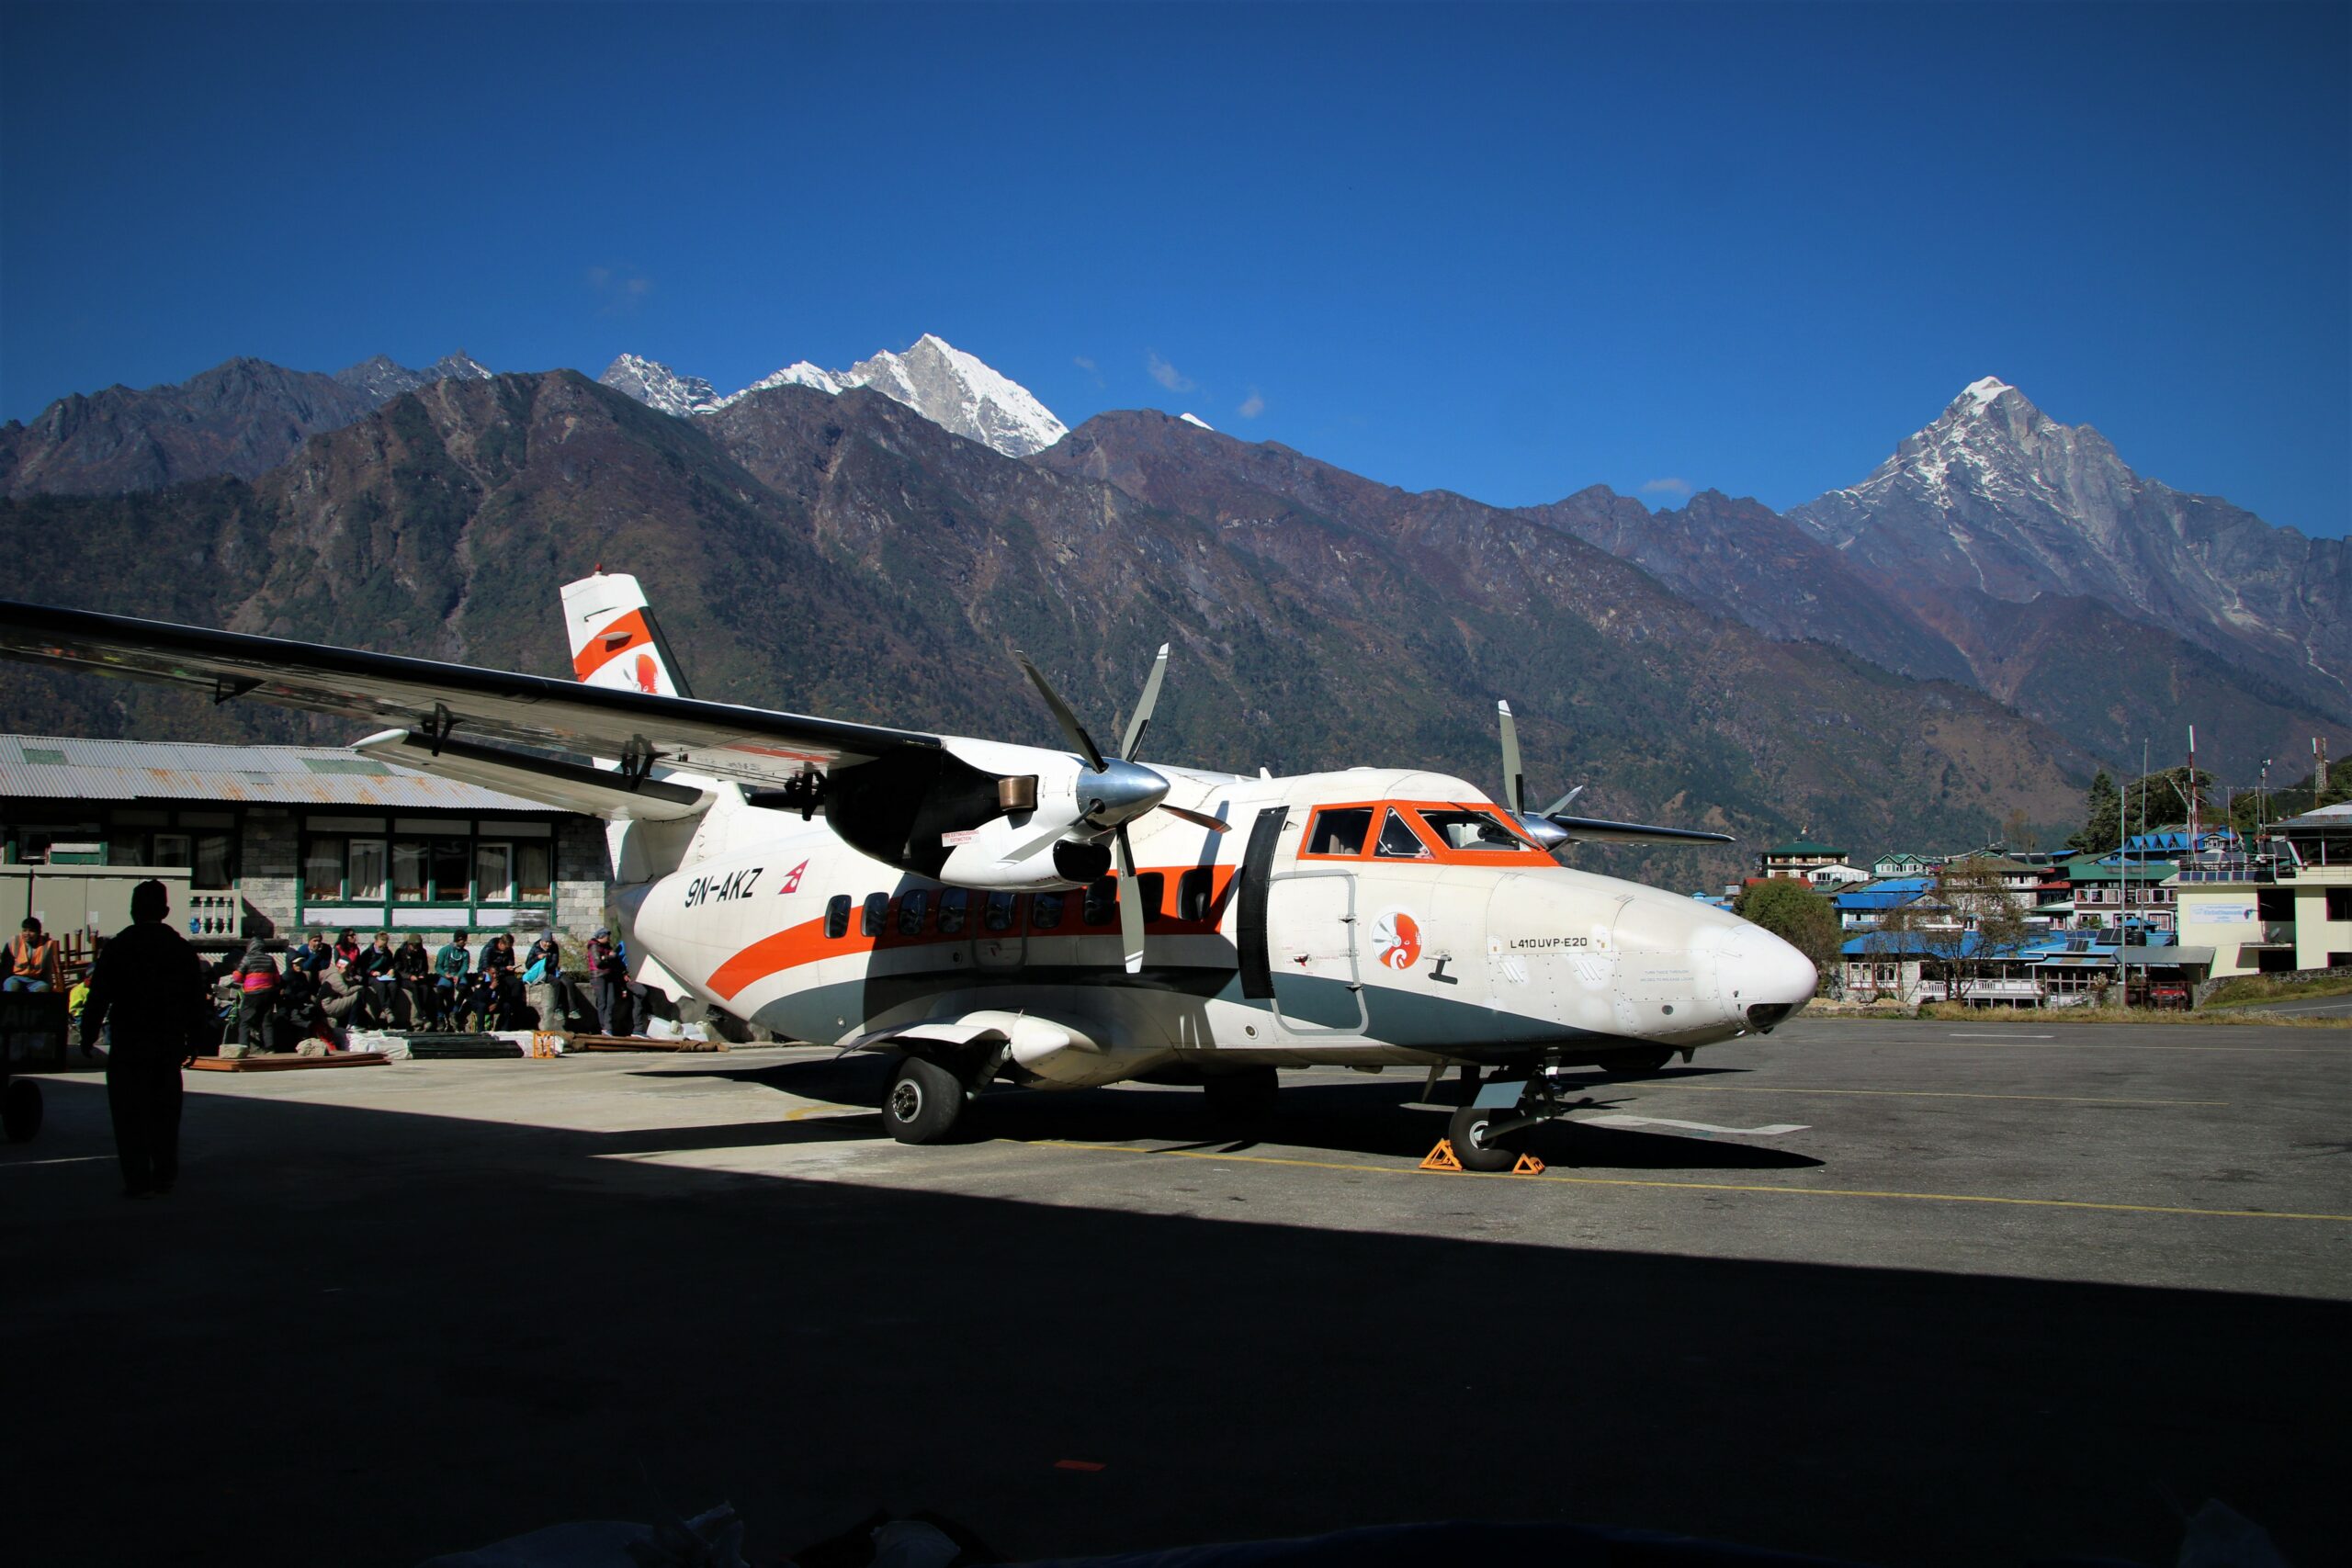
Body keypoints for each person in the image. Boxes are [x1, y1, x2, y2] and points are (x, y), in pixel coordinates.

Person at [80, 879, 208, 1198]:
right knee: (164, 1112)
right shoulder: (180, 949)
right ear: (165, 911)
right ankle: (164, 1174)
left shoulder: (119, 946)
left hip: (128, 1042)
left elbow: (98, 996)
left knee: (128, 1114)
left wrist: (88, 1033)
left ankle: (136, 1178)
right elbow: (195, 999)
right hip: (167, 1043)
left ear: (133, 910)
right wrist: (195, 1040)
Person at [233, 940, 281, 1051]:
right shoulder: (270, 959)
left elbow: (237, 977)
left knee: (245, 1021)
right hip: (268, 993)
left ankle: (243, 1047)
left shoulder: (247, 958)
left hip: (252, 993)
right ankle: (270, 1048)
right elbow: (277, 979)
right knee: (267, 1021)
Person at [6, 915, 65, 992]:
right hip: (15, 977)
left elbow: (47, 969)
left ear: (38, 932)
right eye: (24, 930)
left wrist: (49, 985)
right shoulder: (14, 941)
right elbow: (5, 965)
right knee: (13, 987)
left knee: (44, 988)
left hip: (34, 980)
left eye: (31, 931)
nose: (27, 933)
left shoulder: (46, 945)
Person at [584, 927, 622, 1035]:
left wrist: (607, 957)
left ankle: (608, 1026)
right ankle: (604, 1027)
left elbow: (612, 958)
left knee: (611, 1001)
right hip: (598, 976)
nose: (609, 939)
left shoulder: (606, 946)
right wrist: (608, 957)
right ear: (602, 937)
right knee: (602, 1002)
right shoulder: (594, 946)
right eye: (607, 937)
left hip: (608, 976)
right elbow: (598, 962)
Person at [432, 931, 471, 1031]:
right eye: (462, 940)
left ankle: (454, 1012)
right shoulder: (444, 950)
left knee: (464, 988)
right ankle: (440, 1017)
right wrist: (444, 974)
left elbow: (465, 966)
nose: (464, 942)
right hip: (446, 976)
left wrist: (458, 975)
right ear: (458, 939)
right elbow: (438, 966)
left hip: (458, 975)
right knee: (439, 991)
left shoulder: (465, 953)